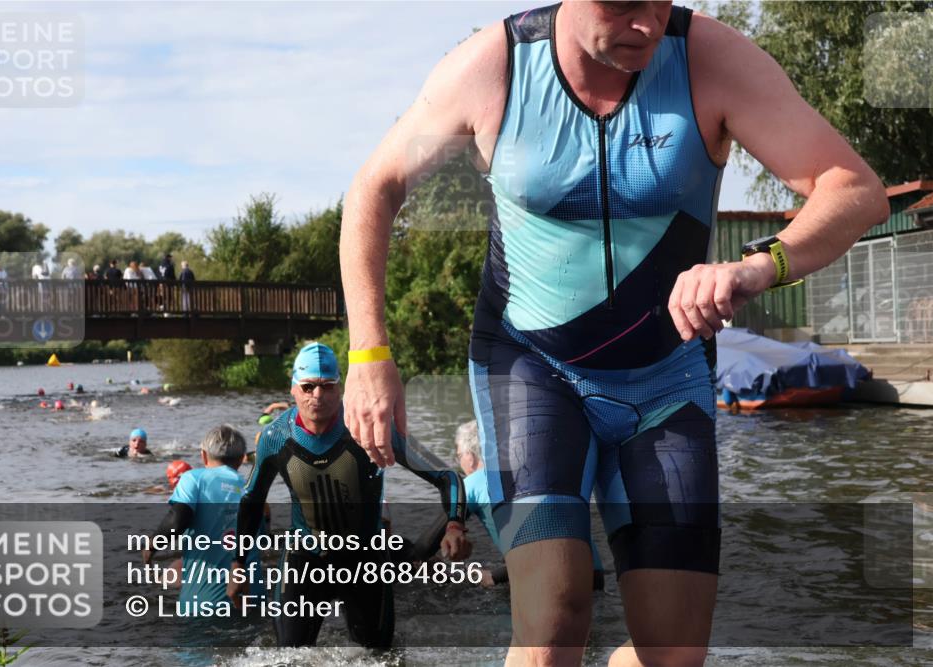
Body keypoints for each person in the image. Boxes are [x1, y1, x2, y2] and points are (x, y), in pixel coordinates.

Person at [338, 2, 889, 665]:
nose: (648, 25)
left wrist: (759, 264)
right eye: (624, 3)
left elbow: (854, 187)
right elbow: (375, 187)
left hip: (666, 377)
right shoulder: (496, 67)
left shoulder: (711, 62)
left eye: (660, 1)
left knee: (673, 653)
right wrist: (369, 353)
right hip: (532, 369)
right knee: (554, 616)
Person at [227, 342, 471, 648]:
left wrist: (455, 524)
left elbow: (447, 476)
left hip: (364, 559)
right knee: (288, 657)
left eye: (327, 386)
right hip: (305, 559)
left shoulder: (369, 427)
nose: (317, 395)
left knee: (379, 657)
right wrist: (239, 564)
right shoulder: (275, 437)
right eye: (308, 386)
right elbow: (251, 501)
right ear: (293, 389)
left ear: (341, 388)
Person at [453, 420, 605, 590]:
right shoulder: (530, 473)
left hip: (546, 575)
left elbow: (442, 528)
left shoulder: (472, 482)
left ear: (470, 457)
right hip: (594, 573)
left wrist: (494, 576)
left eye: (459, 456)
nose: (459, 462)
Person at [143, 426, 266, 606]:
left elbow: (177, 520)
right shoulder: (253, 489)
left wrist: (151, 546)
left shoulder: (193, 479)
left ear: (203, 455)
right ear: (241, 459)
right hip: (252, 597)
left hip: (204, 602)